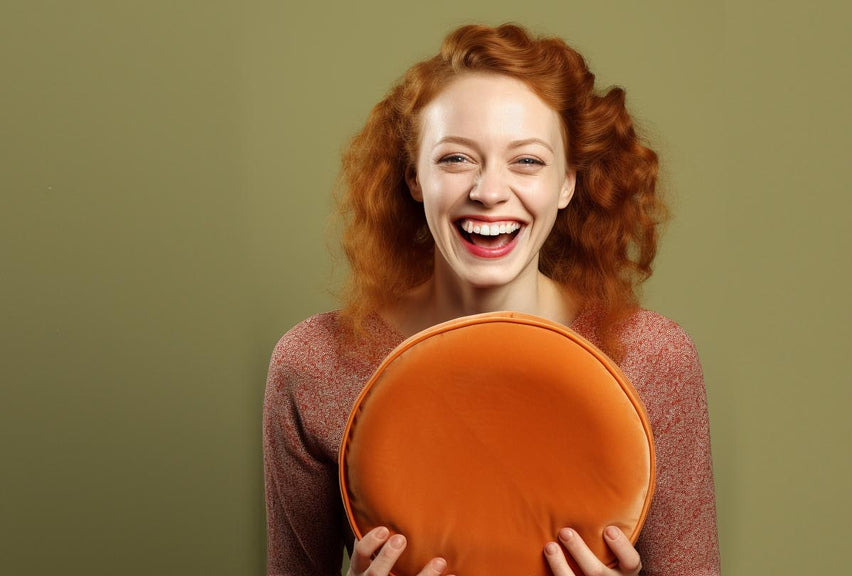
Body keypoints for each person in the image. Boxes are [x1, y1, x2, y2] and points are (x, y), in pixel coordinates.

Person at [263, 23, 720, 576]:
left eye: (526, 161)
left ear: (567, 183)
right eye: (456, 159)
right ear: (414, 178)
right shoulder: (315, 363)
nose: (488, 191)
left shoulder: (652, 358)